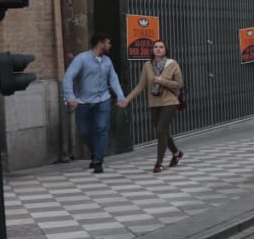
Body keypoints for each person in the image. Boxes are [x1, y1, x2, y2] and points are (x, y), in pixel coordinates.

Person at [63, 34, 125, 173]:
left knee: (101, 129)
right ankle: (96, 152)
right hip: (83, 102)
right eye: (108, 43)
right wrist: (70, 96)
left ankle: (98, 161)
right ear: (100, 43)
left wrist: (121, 97)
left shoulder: (107, 61)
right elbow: (68, 76)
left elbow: (113, 79)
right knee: (84, 132)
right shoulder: (82, 59)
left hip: (103, 100)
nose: (110, 46)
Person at [120, 39, 185, 173]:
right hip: (154, 103)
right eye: (155, 47)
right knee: (164, 132)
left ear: (166, 50)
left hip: (170, 102)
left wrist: (163, 81)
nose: (158, 49)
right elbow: (140, 86)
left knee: (161, 130)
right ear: (152, 50)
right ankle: (177, 153)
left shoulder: (172, 64)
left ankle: (158, 163)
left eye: (161, 47)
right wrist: (127, 99)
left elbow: (179, 84)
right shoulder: (147, 66)